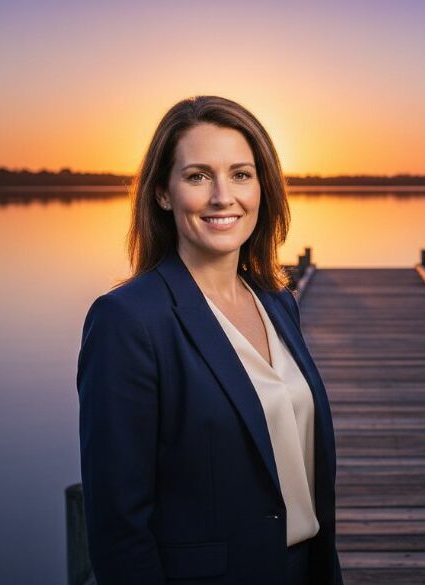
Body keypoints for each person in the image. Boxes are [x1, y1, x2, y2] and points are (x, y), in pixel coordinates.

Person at [76, 95, 342, 585]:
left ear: (263, 188)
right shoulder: (127, 321)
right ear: (162, 193)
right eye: (198, 176)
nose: (224, 196)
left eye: (241, 174)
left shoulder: (278, 301)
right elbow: (118, 526)